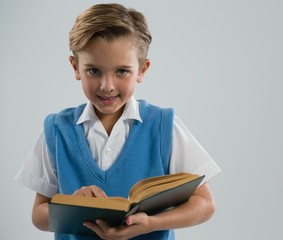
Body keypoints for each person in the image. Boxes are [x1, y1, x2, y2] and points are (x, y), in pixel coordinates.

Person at [15, 3, 221, 240]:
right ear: (76, 67)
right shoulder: (56, 130)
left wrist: (151, 224)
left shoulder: (164, 126)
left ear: (142, 70)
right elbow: (39, 216)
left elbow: (205, 204)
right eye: (93, 70)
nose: (107, 86)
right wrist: (71, 203)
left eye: (122, 71)